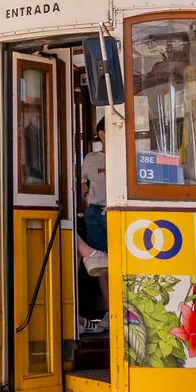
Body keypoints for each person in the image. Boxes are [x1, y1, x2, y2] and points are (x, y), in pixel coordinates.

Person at [77, 129, 109, 332]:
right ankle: (111, 309)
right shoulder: (92, 158)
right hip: (95, 212)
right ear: (102, 134)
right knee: (100, 263)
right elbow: (79, 181)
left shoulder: (127, 155)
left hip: (117, 211)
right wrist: (87, 195)